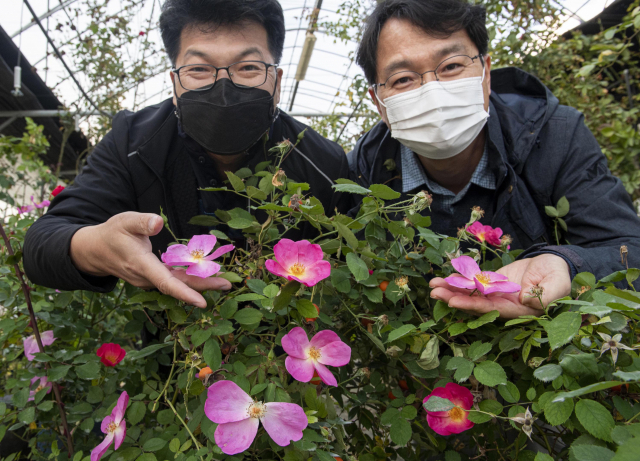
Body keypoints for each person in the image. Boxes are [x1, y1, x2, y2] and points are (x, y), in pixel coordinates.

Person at [23, 0, 350, 308]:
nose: (224, 89)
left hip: (279, 358)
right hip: (173, 351)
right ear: (175, 85)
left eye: (248, 67)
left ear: (277, 83)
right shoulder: (134, 143)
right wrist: (97, 246)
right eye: (199, 70)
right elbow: (42, 243)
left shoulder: (322, 163)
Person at [348, 0, 640, 318]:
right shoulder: (364, 172)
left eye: (451, 66)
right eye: (403, 79)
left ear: (486, 74)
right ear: (379, 103)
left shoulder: (553, 136)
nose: (432, 93)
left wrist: (565, 265)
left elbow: (629, 251)